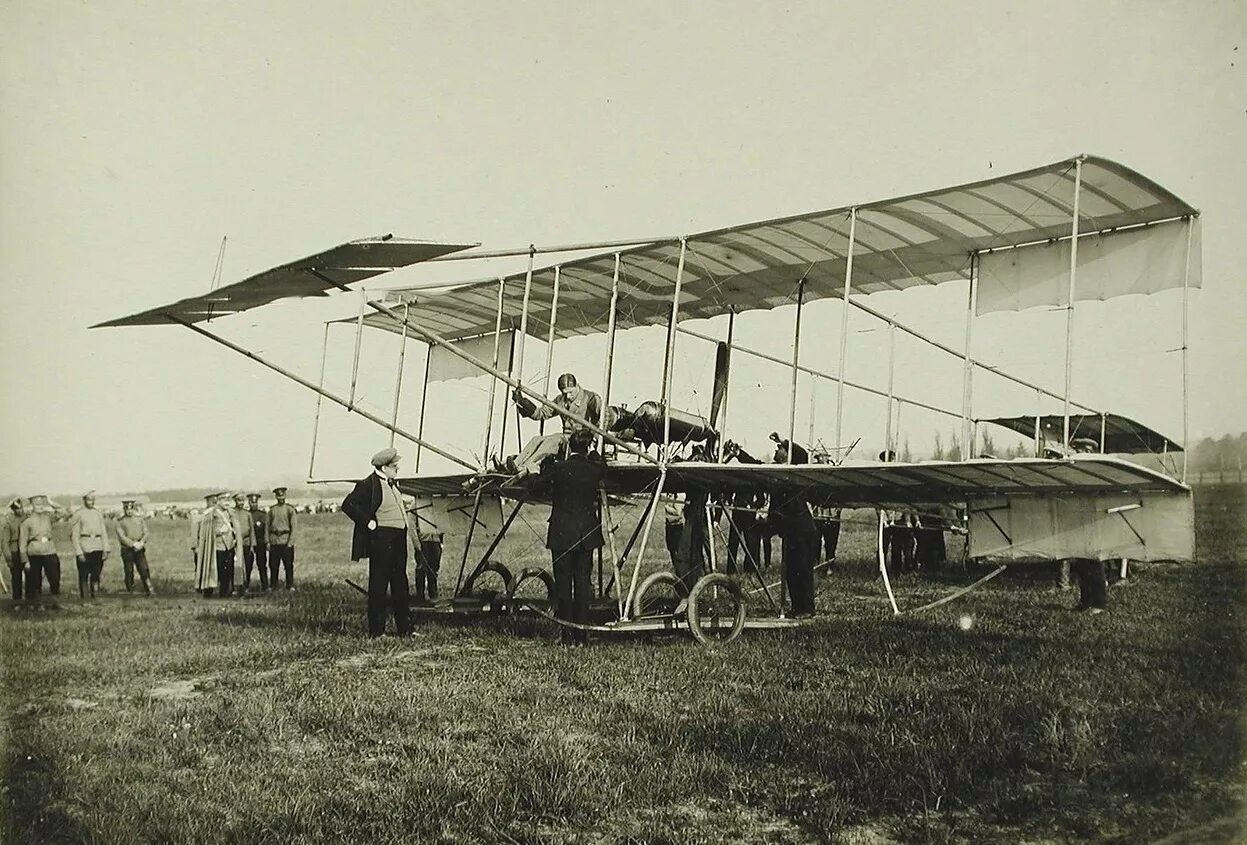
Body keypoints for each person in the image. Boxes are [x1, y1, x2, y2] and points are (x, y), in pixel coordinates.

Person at [536, 429, 605, 645]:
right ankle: (582, 636)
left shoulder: (558, 468)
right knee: (583, 584)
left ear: (569, 447)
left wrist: (537, 470)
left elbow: (536, 486)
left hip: (562, 535)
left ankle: (566, 636)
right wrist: (594, 452)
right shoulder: (594, 469)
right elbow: (602, 465)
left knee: (563, 584)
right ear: (588, 447)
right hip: (586, 535)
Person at [341, 448, 412, 637]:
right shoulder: (368, 484)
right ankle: (377, 632)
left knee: (400, 584)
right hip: (382, 539)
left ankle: (405, 630)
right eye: (394, 466)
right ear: (383, 467)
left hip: (399, 539)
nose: (397, 468)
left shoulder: (392, 484)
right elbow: (348, 504)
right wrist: (369, 523)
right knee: (379, 585)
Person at [507, 373, 606, 477]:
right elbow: (541, 414)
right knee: (537, 439)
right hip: (567, 438)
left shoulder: (590, 398)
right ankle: (515, 464)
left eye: (570, 392)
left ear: (577, 386)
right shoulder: (560, 400)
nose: (568, 396)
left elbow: (604, 419)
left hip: (582, 441)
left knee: (553, 440)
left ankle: (525, 467)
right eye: (564, 393)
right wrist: (522, 402)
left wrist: (595, 439)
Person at [769, 440, 818, 617]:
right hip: (790, 529)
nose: (776, 450)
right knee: (791, 571)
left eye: (779, 448)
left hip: (802, 528)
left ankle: (806, 609)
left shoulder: (795, 472)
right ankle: (797, 607)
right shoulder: (776, 471)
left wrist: (784, 439)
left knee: (802, 569)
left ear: (788, 454)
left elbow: (803, 454)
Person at [195, 492, 239, 598]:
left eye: (227, 500)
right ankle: (208, 592)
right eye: (223, 500)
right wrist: (220, 531)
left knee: (227, 570)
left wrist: (234, 537)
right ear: (218, 501)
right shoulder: (212, 513)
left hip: (228, 546)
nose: (226, 503)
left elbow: (234, 527)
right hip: (217, 546)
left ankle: (224, 593)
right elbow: (207, 530)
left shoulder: (230, 513)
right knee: (214, 569)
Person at [19, 494, 61, 599]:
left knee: (54, 577)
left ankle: (54, 601)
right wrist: (25, 560)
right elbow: (23, 542)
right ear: (32, 505)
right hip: (34, 552)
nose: (40, 506)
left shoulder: (49, 517)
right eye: (37, 504)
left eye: (42, 503)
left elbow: (63, 513)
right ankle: (36, 603)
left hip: (49, 551)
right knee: (34, 580)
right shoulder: (26, 521)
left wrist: (52, 503)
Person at [115, 499, 154, 595]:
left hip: (139, 548)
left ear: (133, 508)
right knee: (129, 570)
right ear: (124, 509)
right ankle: (130, 590)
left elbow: (146, 532)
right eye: (127, 508)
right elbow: (121, 537)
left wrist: (142, 542)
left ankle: (149, 589)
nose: (129, 510)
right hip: (127, 549)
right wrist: (132, 544)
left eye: (131, 508)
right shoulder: (120, 521)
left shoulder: (139, 519)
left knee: (144, 568)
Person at [267, 487, 297, 590]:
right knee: (273, 565)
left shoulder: (290, 509)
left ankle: (290, 585)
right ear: (276, 496)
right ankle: (273, 585)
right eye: (278, 495)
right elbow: (267, 527)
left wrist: (291, 542)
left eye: (282, 495)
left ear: (285, 495)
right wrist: (267, 541)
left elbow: (294, 527)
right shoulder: (272, 510)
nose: (280, 497)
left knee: (288, 565)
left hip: (286, 540)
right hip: (274, 540)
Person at [229, 494, 256, 595]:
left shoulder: (247, 514)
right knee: (235, 565)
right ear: (235, 501)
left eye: (242, 501)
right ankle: (235, 587)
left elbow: (251, 530)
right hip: (235, 544)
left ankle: (246, 585)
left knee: (248, 565)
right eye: (238, 501)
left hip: (246, 543)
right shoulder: (232, 513)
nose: (240, 503)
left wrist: (253, 544)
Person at [245, 492, 269, 592]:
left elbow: (266, 529)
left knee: (262, 564)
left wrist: (266, 542)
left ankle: (265, 586)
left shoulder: (262, 515)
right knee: (247, 565)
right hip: (249, 543)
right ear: (249, 503)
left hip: (260, 543)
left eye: (255, 502)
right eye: (251, 502)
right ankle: (246, 585)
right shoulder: (246, 514)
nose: (253, 504)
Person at [3, 498, 27, 601]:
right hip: (15, 551)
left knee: (31, 576)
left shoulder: (27, 518)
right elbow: (5, 542)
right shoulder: (9, 522)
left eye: (21, 508)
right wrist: (8, 558)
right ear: (13, 510)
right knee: (16, 577)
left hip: (26, 551)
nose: (20, 510)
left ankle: (31, 600)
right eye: (17, 509)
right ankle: (17, 601)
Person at [414, 520, 442, 606]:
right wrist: (416, 543)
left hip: (435, 541)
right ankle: (420, 597)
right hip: (423, 541)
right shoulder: (415, 506)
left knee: (434, 567)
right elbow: (412, 526)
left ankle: (433, 595)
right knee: (422, 568)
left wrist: (440, 541)